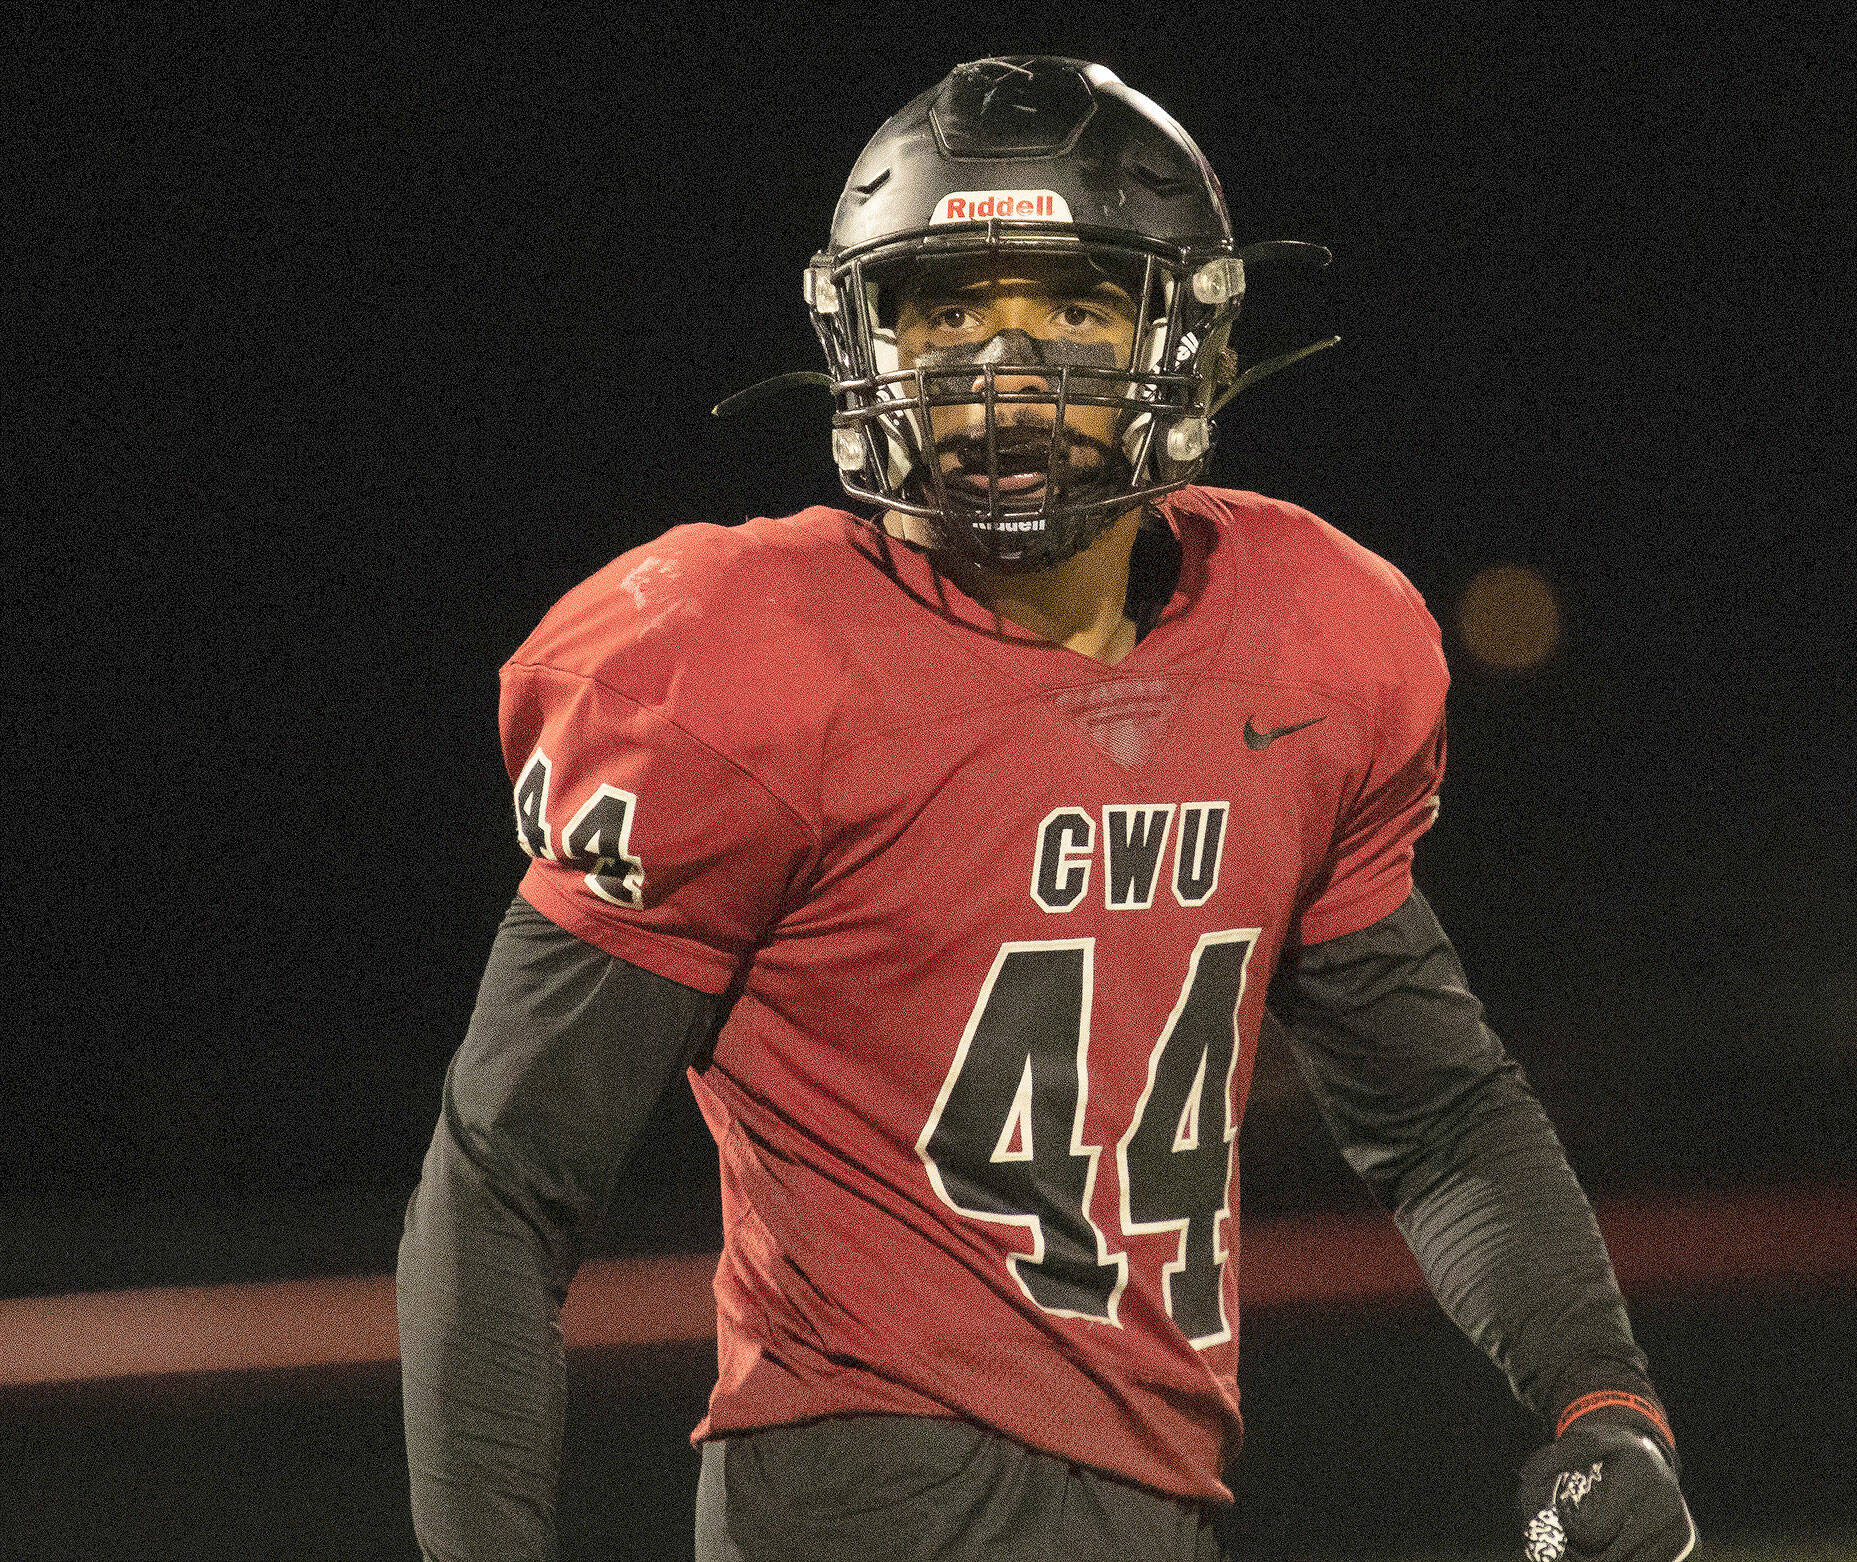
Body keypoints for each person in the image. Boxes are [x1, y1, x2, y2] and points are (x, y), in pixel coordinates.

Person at [397, 55, 1698, 1562]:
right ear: (865, 333)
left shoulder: (1307, 643)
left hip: (1158, 1501)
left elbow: (1439, 1111)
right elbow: (501, 1184)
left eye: (1072, 304)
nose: (1002, 363)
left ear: (1185, 336)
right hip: (860, 1494)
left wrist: (1606, 1398)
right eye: (949, 307)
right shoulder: (738, 662)